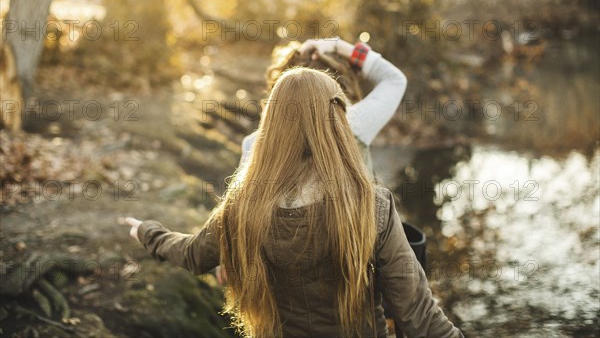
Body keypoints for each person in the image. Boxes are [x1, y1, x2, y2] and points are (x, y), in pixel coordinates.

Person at [125, 67, 463, 337]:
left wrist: (147, 232)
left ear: (272, 124)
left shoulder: (243, 206)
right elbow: (417, 314)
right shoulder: (369, 205)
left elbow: (193, 255)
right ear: (336, 123)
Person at [240, 38, 408, 176]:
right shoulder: (353, 123)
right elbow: (394, 79)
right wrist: (337, 45)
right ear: (342, 82)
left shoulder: (254, 143)